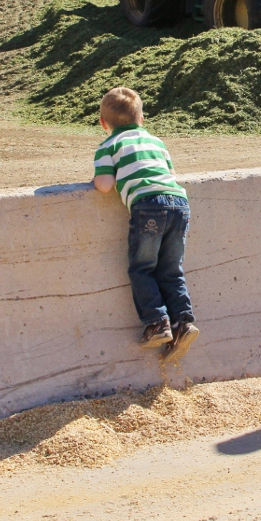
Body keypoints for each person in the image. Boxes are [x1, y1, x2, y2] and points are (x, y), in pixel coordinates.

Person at [93, 86, 198, 362]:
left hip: (148, 207)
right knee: (171, 270)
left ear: (104, 123)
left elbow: (104, 186)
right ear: (142, 118)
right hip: (179, 205)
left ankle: (157, 323)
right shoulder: (156, 142)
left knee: (142, 268)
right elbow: (171, 173)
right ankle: (183, 323)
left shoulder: (108, 146)